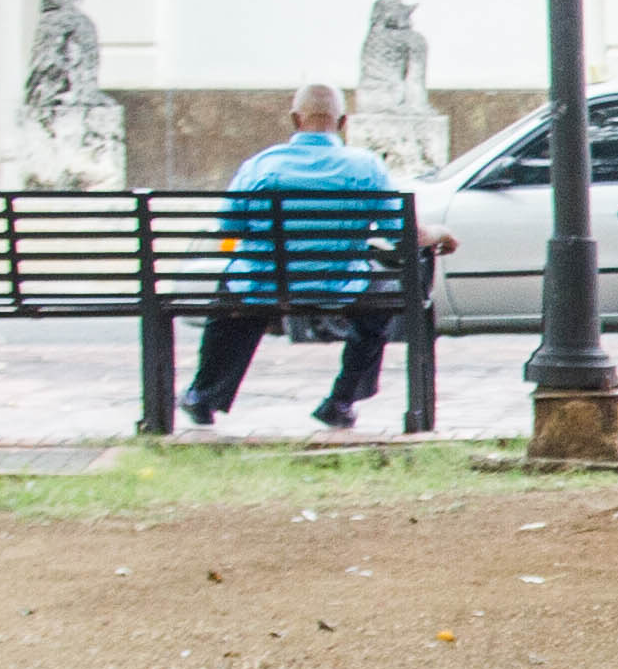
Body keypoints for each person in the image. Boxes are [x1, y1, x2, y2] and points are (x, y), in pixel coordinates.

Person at [179, 85, 449, 429]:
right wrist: (441, 234)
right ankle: (341, 401)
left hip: (262, 285)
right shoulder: (365, 167)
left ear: (295, 119)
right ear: (343, 122)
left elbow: (229, 226)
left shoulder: (261, 165)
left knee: (235, 293)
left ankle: (203, 396)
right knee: (380, 301)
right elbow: (403, 235)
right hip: (339, 285)